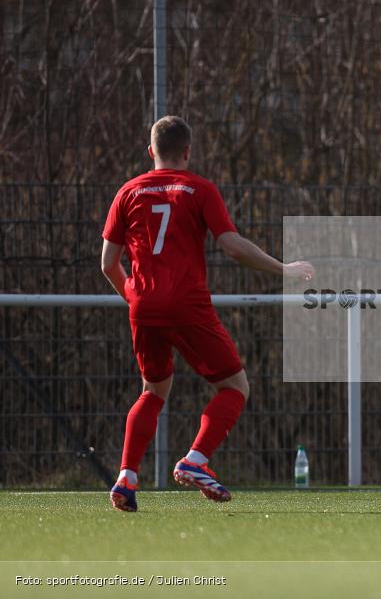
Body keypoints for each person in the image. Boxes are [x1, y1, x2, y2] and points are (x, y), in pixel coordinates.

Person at [101, 115, 314, 512]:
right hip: (187, 304)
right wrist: (283, 269)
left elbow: (107, 263)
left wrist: (133, 296)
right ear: (188, 151)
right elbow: (232, 246)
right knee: (235, 387)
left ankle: (127, 476)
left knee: (152, 391)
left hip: (144, 307)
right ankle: (196, 459)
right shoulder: (198, 189)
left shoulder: (127, 192)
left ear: (151, 152)